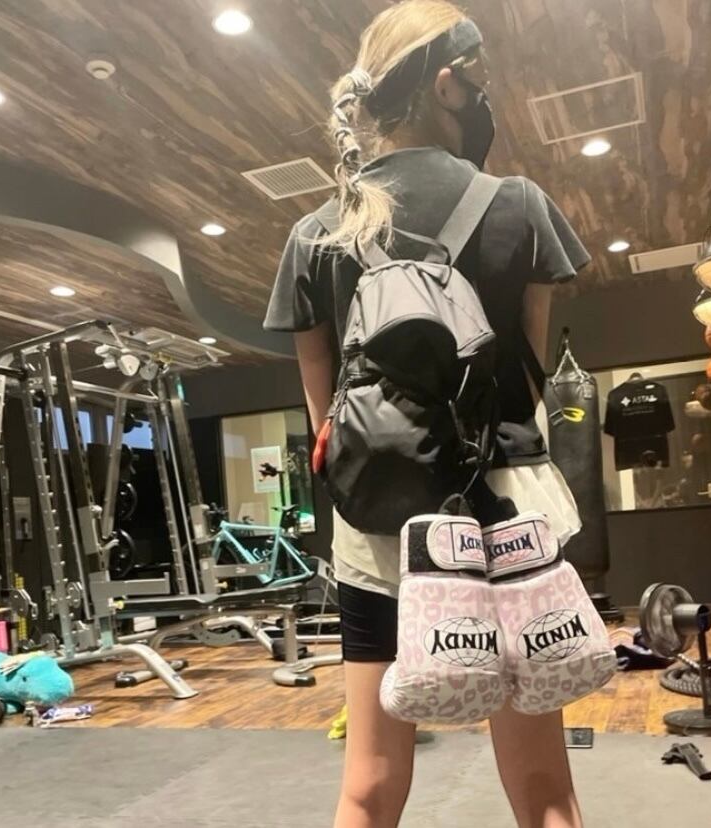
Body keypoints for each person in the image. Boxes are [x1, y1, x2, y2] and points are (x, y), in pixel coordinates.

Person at [264, 2, 591, 826]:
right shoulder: (520, 204)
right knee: (544, 784)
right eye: (480, 79)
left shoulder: (315, 233)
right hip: (507, 513)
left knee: (370, 783)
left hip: (383, 519)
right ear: (447, 85)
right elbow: (526, 380)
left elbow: (325, 418)